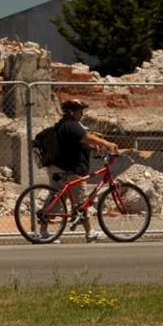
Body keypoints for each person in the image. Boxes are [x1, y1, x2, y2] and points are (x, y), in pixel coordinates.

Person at [43, 98, 118, 243]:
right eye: (79, 111)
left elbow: (75, 142)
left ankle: (43, 233)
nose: (81, 114)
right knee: (81, 201)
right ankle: (90, 233)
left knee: (54, 198)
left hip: (57, 167)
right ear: (71, 112)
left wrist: (89, 146)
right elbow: (86, 136)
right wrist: (107, 143)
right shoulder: (72, 125)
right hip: (70, 170)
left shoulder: (62, 125)